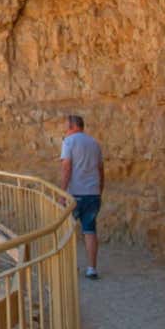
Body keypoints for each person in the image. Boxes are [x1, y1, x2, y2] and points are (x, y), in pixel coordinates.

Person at [60, 114, 104, 279]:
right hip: (93, 193)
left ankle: (70, 267)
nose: (65, 129)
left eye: (66, 126)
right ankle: (92, 268)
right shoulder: (94, 143)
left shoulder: (68, 142)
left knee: (67, 231)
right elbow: (101, 170)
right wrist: (99, 190)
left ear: (72, 126)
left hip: (75, 195)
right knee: (90, 230)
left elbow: (66, 168)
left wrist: (62, 193)